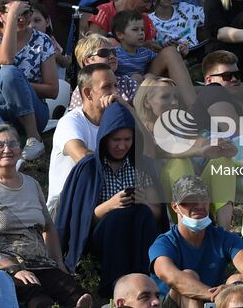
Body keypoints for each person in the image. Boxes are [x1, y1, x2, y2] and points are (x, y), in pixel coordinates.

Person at [0, 124, 92, 307]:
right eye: (0, 145)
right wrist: (13, 268)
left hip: (43, 265)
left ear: (20, 150)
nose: (7, 149)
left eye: (13, 144)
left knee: (80, 298)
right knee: (40, 303)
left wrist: (59, 264)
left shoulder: (32, 184)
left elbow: (48, 227)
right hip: (7, 269)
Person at [54, 101, 163, 296]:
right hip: (101, 237)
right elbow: (81, 222)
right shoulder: (89, 168)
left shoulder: (142, 165)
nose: (122, 146)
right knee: (116, 217)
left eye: (127, 139)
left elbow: (157, 214)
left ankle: (147, 280)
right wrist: (110, 205)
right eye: (116, 140)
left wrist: (143, 201)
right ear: (105, 138)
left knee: (143, 212)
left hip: (137, 232)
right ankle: (114, 285)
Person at [0, 0, 59, 161]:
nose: (22, 18)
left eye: (25, 13)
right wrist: (11, 17)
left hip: (33, 112)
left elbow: (53, 90)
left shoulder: (42, 40)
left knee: (8, 73)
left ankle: (34, 138)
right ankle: (6, 145)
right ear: (0, 15)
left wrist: (16, 84)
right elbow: (6, 56)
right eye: (15, 14)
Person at [150, 176, 243, 308]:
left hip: (212, 302)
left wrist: (234, 287)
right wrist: (219, 295)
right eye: (190, 200)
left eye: (203, 198)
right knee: (189, 276)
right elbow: (173, 277)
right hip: (171, 304)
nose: (199, 205)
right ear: (175, 206)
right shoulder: (164, 243)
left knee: (236, 281)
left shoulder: (223, 237)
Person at [46, 63, 118, 212]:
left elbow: (147, 151)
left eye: (115, 86)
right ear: (88, 93)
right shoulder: (70, 121)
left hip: (101, 199)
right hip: (66, 206)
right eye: (107, 87)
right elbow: (83, 158)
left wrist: (126, 107)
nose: (115, 92)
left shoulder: (115, 121)